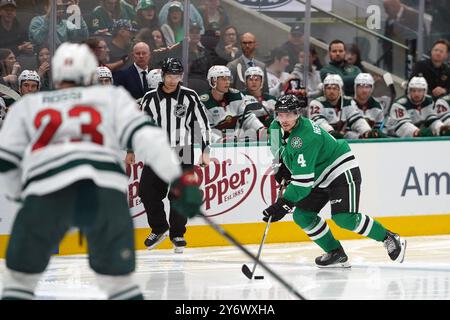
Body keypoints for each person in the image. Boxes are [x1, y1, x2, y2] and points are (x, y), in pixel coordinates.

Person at [0, 42, 203, 300]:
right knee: (117, 274)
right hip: (101, 190)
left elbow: (7, 158)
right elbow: (150, 140)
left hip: (48, 190)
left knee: (22, 272)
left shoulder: (31, 106)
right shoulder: (114, 100)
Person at [262, 94, 407, 268]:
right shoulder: (275, 127)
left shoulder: (306, 138)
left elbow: (302, 184)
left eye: (289, 115)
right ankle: (335, 252)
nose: (284, 119)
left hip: (339, 169)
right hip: (317, 175)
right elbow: (278, 152)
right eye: (280, 114)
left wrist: (283, 205)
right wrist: (281, 168)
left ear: (297, 114)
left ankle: (389, 237)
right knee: (303, 216)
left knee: (344, 218)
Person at [139, 57, 211, 253]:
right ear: (162, 75)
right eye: (170, 75)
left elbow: (201, 124)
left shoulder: (189, 96)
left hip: (182, 150)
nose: (173, 80)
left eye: (177, 76)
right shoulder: (150, 98)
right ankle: (159, 228)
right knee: (146, 192)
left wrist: (205, 150)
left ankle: (177, 234)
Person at [200, 65, 266, 143]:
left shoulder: (236, 95)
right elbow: (205, 130)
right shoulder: (203, 102)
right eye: (224, 79)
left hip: (235, 141)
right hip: (214, 147)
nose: (228, 82)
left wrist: (260, 128)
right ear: (213, 81)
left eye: (228, 78)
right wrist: (219, 140)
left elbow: (248, 117)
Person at [308, 74, 376, 139]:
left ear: (340, 90)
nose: (331, 91)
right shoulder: (316, 103)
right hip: (321, 140)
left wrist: (367, 132)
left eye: (335, 88)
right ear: (324, 90)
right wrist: (331, 132)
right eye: (328, 88)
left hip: (340, 138)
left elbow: (357, 120)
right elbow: (318, 122)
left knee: (353, 135)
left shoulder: (348, 102)